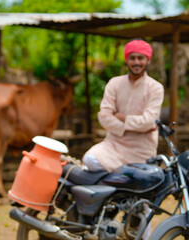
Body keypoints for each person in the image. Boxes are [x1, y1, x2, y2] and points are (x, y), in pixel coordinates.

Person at [82, 39, 164, 240]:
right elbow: (104, 116)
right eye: (133, 58)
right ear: (127, 59)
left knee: (144, 201)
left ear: (147, 60)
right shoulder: (114, 83)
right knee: (89, 161)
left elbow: (149, 121)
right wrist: (131, 126)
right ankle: (103, 211)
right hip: (113, 145)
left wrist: (122, 118)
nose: (136, 62)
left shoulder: (155, 88)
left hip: (141, 151)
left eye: (140, 58)